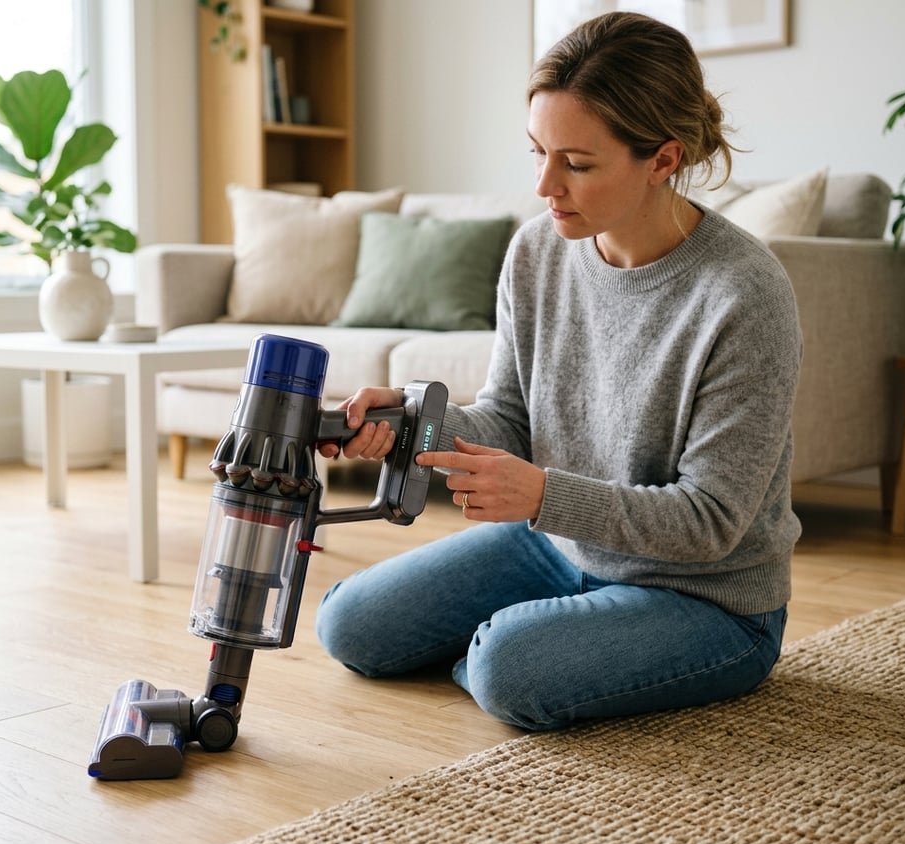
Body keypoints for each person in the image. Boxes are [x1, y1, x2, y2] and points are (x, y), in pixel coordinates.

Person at [315, 10, 802, 732]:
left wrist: (542, 496)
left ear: (662, 159)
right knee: (348, 625)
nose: (545, 184)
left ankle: (516, 644)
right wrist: (412, 420)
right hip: (556, 549)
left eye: (576, 163)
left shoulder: (742, 294)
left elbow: (711, 523)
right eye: (538, 151)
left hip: (705, 599)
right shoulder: (536, 252)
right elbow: (508, 419)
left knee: (508, 669)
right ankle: (541, 636)